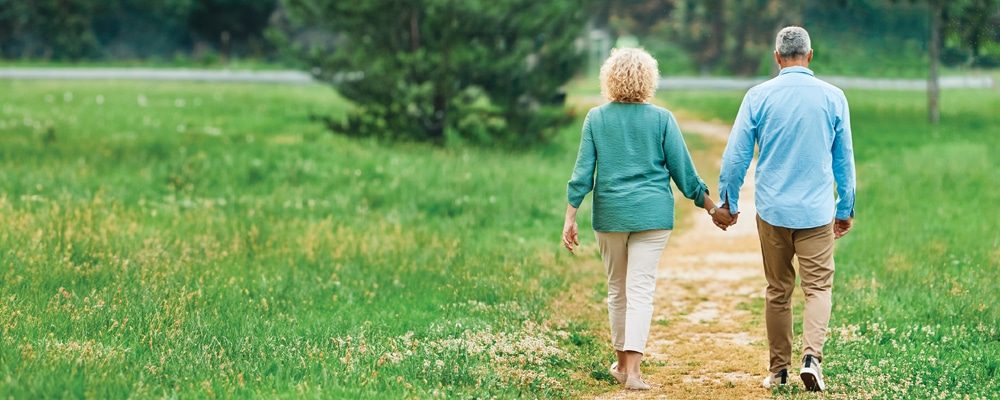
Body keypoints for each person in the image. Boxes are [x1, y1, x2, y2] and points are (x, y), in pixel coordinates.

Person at [562, 48, 725, 390]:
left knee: (617, 290)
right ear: (649, 79)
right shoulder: (662, 119)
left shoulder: (596, 118)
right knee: (640, 289)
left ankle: (622, 365)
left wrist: (570, 216)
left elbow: (582, 174)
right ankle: (633, 373)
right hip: (653, 216)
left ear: (610, 78)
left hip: (611, 215)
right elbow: (685, 173)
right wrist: (711, 208)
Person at [711, 26, 856, 392]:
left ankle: (778, 371)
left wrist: (727, 202)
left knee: (778, 289)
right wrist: (846, 206)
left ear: (777, 58)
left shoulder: (758, 96)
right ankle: (811, 358)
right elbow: (844, 159)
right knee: (818, 287)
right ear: (810, 55)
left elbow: (735, 157)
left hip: (773, 210)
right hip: (817, 212)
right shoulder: (834, 97)